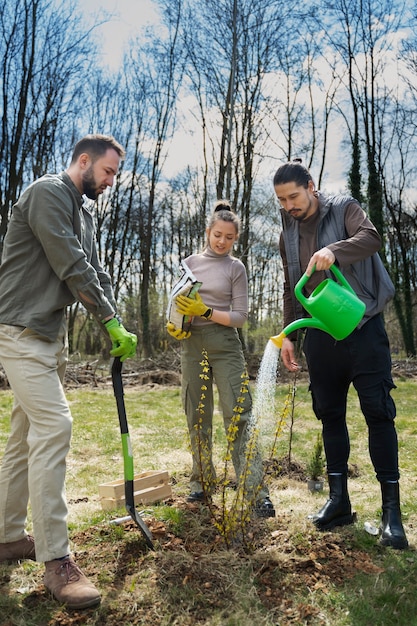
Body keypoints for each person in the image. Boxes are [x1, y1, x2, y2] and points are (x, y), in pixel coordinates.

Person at [0, 134, 138, 608]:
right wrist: (107, 318)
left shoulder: (84, 212)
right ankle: (57, 561)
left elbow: (94, 271)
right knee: (56, 426)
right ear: (84, 161)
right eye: (108, 171)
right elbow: (69, 262)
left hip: (43, 338)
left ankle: (6, 537)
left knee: (24, 435)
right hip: (17, 329)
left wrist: (116, 320)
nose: (111, 181)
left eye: (115, 175)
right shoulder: (47, 194)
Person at [273, 159, 408, 550]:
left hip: (363, 328)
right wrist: (287, 335)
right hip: (320, 333)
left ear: (311, 187)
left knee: (378, 413)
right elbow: (289, 285)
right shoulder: (288, 232)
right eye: (282, 200)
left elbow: (372, 238)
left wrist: (335, 249)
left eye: (293, 197)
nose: (289, 206)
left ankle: (391, 513)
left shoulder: (345, 208)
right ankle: (338, 502)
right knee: (329, 415)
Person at [167, 200, 275, 518]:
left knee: (239, 415)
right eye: (217, 234)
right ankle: (201, 484)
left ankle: (255, 491)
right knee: (196, 417)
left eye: (229, 237)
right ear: (208, 231)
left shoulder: (235, 268)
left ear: (235, 239)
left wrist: (206, 311)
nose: (221, 241)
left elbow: (240, 317)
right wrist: (175, 324)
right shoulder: (189, 262)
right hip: (192, 345)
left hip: (225, 346)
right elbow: (175, 301)